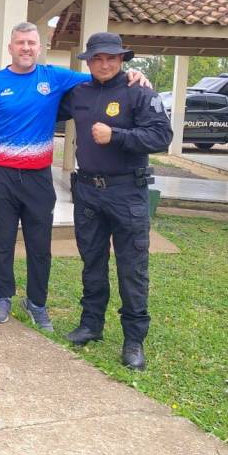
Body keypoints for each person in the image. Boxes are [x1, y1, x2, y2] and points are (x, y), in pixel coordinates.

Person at [0, 22, 149, 330]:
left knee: (39, 244)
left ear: (39, 48)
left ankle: (37, 303)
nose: (26, 48)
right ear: (10, 48)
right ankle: (3, 297)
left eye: (31, 43)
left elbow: (104, 77)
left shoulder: (55, 77)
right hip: (0, 175)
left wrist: (133, 74)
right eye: (20, 42)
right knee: (1, 240)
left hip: (38, 177)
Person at [59, 32, 172, 371]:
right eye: (98, 58)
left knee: (132, 268)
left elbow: (161, 136)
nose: (105, 64)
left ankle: (133, 340)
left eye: (111, 58)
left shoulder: (140, 92)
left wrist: (116, 136)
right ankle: (91, 324)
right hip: (88, 191)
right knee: (92, 262)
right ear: (89, 62)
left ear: (122, 59)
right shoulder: (79, 93)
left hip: (127, 193)